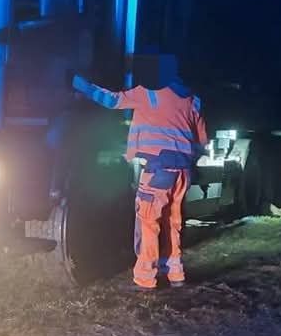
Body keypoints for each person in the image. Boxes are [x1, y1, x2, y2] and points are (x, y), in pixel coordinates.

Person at [72, 60, 209, 290]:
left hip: (158, 169)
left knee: (148, 221)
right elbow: (202, 141)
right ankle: (176, 274)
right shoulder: (193, 100)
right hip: (182, 171)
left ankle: (145, 278)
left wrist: (80, 84)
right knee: (172, 221)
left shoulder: (148, 95)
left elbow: (111, 100)